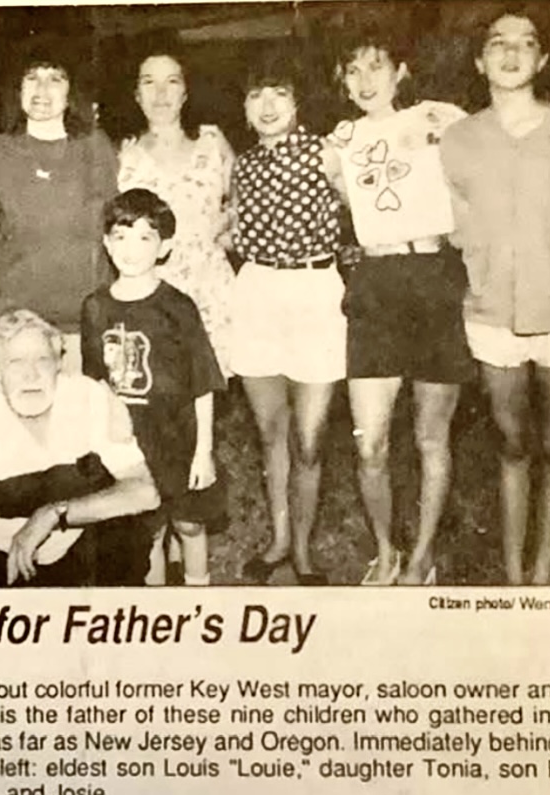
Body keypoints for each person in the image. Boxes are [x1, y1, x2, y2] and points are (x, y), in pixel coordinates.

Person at [441, 11, 550, 585]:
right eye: (497, 43)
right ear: (479, 60)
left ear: (542, 60)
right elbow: (445, 223)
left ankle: (542, 574)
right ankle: (515, 576)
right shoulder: (457, 139)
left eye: (526, 44)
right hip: (491, 314)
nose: (511, 53)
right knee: (512, 443)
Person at [326, 30, 475, 585]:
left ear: (400, 71)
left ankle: (422, 558)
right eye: (353, 71)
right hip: (375, 282)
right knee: (371, 442)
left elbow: (489, 168)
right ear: (342, 82)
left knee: (431, 436)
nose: (365, 81)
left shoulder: (440, 118)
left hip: (434, 276)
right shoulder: (338, 141)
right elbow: (343, 205)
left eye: (376, 66)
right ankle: (385, 551)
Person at [0, 309, 160, 587]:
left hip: (75, 547)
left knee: (129, 536)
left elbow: (146, 493)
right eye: (16, 362)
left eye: (42, 360)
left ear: (58, 365)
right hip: (5, 561)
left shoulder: (89, 398)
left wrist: (54, 515)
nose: (31, 375)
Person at [230, 52, 346, 586]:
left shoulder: (329, 152)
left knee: (310, 438)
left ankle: (304, 550)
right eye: (256, 95)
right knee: (270, 431)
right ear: (245, 108)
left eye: (278, 93)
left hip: (315, 291)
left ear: (298, 102)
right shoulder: (243, 163)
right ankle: (280, 542)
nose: (267, 105)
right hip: (256, 290)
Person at [81, 189, 226, 586]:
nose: (132, 248)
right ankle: (155, 610)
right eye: (122, 236)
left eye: (145, 237)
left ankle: (197, 594)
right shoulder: (95, 307)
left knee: (189, 525)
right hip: (129, 440)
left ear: (164, 247)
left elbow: (203, 383)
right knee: (148, 529)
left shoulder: (177, 307)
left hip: (177, 435)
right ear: (107, 244)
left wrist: (203, 453)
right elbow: (95, 381)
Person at [0, 44, 119, 374]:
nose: (42, 89)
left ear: (72, 91)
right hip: (16, 322)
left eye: (55, 78)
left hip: (84, 321)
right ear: (17, 87)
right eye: (32, 77)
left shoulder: (96, 146)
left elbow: (113, 225)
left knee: (83, 419)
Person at [117, 48, 236, 375]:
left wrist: (225, 229)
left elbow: (244, 203)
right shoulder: (124, 156)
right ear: (137, 95)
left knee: (207, 403)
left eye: (171, 81)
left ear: (185, 92)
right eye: (149, 82)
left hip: (210, 290)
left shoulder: (213, 145)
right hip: (150, 291)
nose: (160, 93)